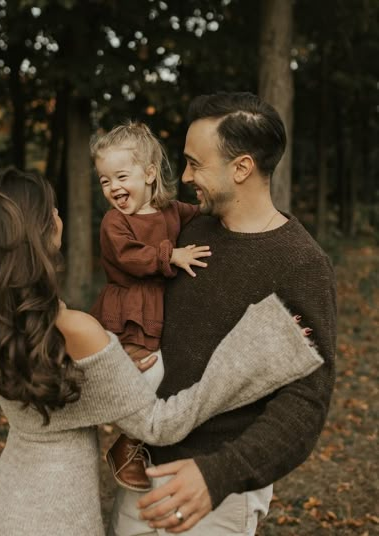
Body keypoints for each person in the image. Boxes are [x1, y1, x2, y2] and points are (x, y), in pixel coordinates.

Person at [0, 168, 323, 536]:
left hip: (8, 500)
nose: (57, 214)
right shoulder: (75, 328)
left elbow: (56, 403)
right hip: (57, 514)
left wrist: (111, 371)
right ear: (36, 234)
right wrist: (259, 353)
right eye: (50, 209)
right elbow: (157, 425)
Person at [109, 91, 337, 536]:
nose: (187, 175)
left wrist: (220, 474)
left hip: (215, 494)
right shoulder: (191, 230)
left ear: (242, 168)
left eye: (197, 163)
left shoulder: (300, 263)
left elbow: (305, 402)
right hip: (143, 470)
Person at [90, 122, 211, 492]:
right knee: (149, 373)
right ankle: (128, 444)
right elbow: (130, 258)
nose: (113, 188)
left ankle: (137, 442)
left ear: (149, 173)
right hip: (129, 310)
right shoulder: (115, 222)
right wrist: (170, 255)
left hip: (158, 309)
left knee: (163, 375)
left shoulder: (171, 211)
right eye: (104, 181)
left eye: (121, 176)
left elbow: (203, 214)